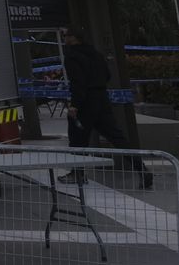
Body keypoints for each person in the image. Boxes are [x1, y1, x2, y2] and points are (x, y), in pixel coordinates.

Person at [62, 27, 150, 188]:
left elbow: (78, 82)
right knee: (117, 137)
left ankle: (77, 173)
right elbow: (107, 75)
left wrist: (74, 105)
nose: (64, 38)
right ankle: (142, 169)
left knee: (77, 139)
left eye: (66, 35)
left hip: (85, 102)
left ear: (73, 38)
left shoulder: (72, 56)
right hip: (102, 99)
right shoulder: (96, 54)